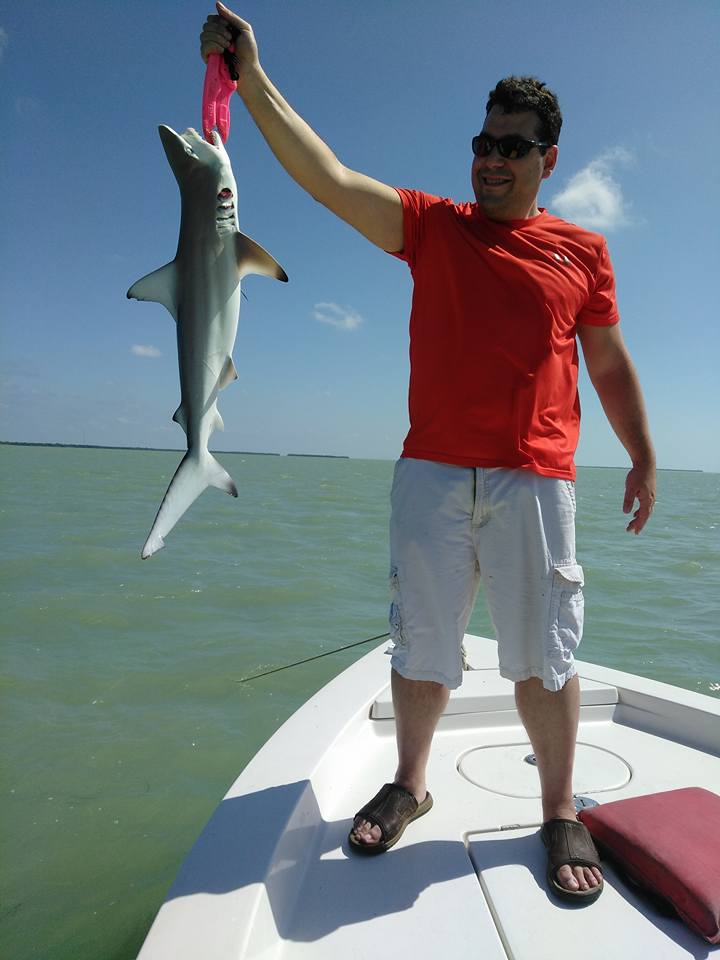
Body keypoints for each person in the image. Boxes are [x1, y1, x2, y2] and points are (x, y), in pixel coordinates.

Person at [200, 2, 656, 903]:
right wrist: (249, 78)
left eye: (512, 146)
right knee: (420, 649)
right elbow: (327, 178)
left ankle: (558, 808)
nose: (490, 158)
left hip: (536, 480)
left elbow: (605, 358)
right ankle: (411, 782)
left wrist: (640, 455)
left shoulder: (582, 252)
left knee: (546, 659)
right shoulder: (432, 226)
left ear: (546, 160)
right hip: (433, 474)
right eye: (483, 141)